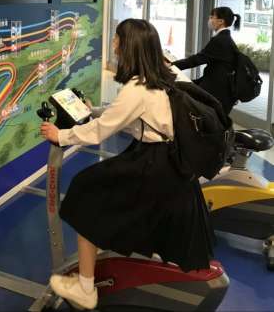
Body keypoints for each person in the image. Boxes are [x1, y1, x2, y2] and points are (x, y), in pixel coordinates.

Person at [40, 19, 214, 310]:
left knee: (85, 193)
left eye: (117, 39)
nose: (113, 44)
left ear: (129, 45)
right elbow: (131, 115)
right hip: (171, 160)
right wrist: (95, 109)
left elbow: (100, 131)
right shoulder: (165, 74)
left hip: (153, 162)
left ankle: (85, 288)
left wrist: (61, 135)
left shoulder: (137, 87)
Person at [172, 6, 241, 114]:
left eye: (212, 17)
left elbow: (197, 60)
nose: (209, 20)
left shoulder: (220, 40)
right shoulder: (225, 38)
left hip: (217, 90)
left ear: (221, 21)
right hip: (219, 86)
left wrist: (172, 65)